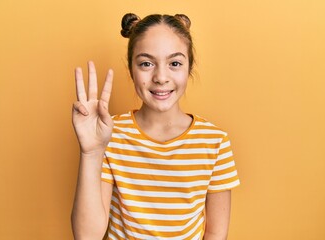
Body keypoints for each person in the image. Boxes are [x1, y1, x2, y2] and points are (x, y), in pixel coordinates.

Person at [71, 13, 240, 240]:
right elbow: (86, 237)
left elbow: (216, 232)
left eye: (175, 63)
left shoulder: (214, 141)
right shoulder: (109, 133)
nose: (161, 77)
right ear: (131, 69)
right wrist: (91, 153)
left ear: (189, 68)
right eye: (146, 63)